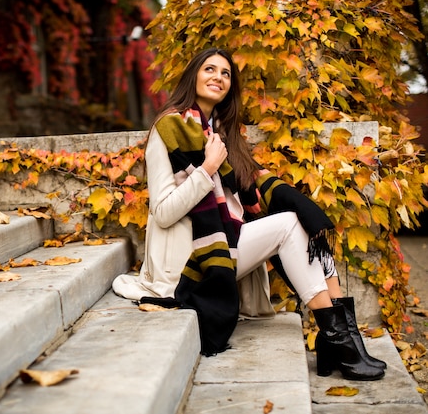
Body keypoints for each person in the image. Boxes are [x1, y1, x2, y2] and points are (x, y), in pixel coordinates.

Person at [112, 47, 385, 381]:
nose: (218, 77)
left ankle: (342, 340)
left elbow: (252, 188)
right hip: (189, 261)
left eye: (225, 73)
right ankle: (338, 341)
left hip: (221, 249)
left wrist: (291, 199)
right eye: (209, 69)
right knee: (288, 224)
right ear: (193, 76)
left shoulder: (221, 134)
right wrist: (207, 168)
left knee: (303, 220)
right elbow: (164, 212)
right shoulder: (167, 129)